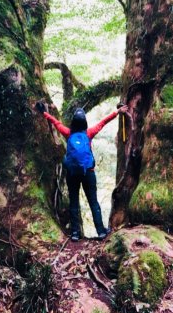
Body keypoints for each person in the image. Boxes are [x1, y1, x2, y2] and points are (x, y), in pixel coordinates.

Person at [35, 102, 128, 242]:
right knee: (93, 202)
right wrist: (118, 112)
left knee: (73, 202)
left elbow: (55, 122)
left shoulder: (68, 133)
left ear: (73, 122)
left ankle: (75, 234)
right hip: (88, 173)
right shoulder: (89, 133)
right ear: (84, 122)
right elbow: (103, 122)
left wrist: (44, 113)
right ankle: (101, 231)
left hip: (72, 174)